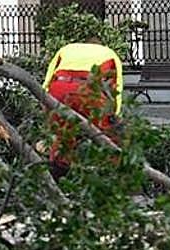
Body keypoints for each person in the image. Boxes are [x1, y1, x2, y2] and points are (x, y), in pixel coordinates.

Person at [42, 36, 123, 174]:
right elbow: (117, 87)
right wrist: (114, 115)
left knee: (63, 134)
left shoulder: (66, 49)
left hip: (58, 89)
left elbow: (48, 79)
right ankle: (116, 172)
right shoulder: (109, 53)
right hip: (86, 90)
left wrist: (45, 104)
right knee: (107, 133)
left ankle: (57, 174)